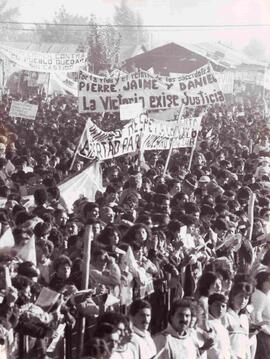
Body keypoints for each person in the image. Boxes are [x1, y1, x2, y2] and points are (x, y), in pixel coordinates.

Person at [251, 271, 270, 358]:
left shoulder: (266, 294)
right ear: (261, 282)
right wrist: (267, 331)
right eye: (268, 280)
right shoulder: (259, 296)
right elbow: (256, 317)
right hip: (263, 334)